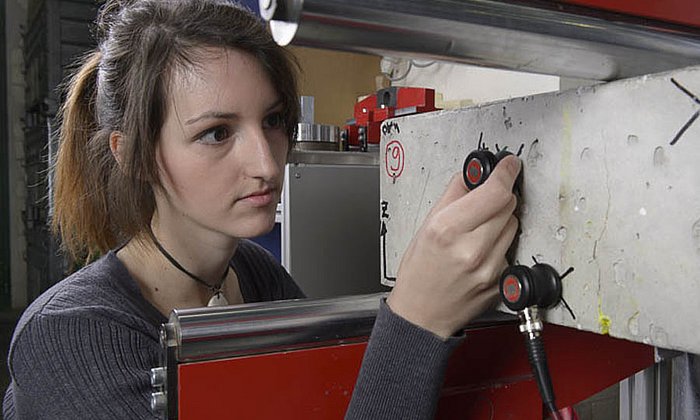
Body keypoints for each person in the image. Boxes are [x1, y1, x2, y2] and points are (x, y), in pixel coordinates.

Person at [3, 0, 520, 418]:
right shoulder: (69, 339)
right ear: (133, 155)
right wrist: (417, 320)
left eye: (272, 120)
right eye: (216, 133)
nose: (267, 163)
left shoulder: (254, 274)